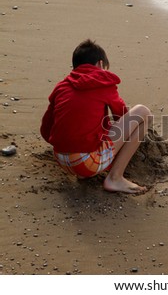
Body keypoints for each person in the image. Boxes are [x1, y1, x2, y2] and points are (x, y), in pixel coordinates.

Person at [40, 39, 152, 193]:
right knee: (142, 112)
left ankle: (85, 171)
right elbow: (122, 115)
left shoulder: (61, 87)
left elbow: (45, 129)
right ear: (100, 64)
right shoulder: (102, 82)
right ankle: (115, 178)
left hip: (61, 158)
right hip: (86, 163)